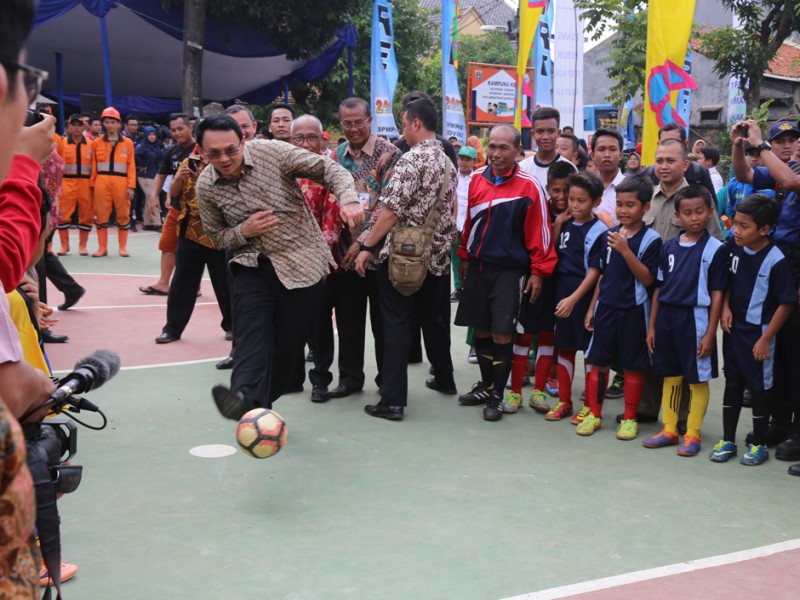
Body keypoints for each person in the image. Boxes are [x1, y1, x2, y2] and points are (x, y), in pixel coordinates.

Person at [193, 115, 363, 419]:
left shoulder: (272, 152)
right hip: (250, 263)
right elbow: (216, 236)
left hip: (300, 263)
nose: (224, 159)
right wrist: (243, 231)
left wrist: (348, 200)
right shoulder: (206, 185)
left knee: (287, 348)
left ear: (243, 140)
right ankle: (243, 397)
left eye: (230, 150)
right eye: (213, 154)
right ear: (201, 151)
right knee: (250, 334)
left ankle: (259, 402)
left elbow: (329, 169)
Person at [353, 96, 457, 420]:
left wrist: (367, 246)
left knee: (396, 326)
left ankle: (393, 400)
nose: (403, 131)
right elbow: (451, 210)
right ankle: (445, 379)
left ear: (415, 123)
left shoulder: (411, 161)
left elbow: (389, 212)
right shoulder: (447, 163)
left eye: (404, 124)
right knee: (435, 321)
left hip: (403, 258)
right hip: (437, 257)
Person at [455, 124, 557, 421]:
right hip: (478, 266)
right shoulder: (476, 179)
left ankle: (498, 395)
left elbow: (540, 234)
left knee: (502, 333)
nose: (496, 153)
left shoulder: (530, 186)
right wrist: (464, 256)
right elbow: (469, 223)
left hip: (510, 271)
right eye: (493, 147)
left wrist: (538, 272)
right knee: (481, 330)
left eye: (504, 148)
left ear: (517, 151)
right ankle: (487, 386)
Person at [730, 119, 800, 466]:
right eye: (781, 140)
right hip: (780, 268)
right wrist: (739, 145)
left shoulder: (788, 175)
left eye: (792, 139)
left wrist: (760, 145)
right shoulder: (784, 169)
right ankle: (780, 421)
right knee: (780, 354)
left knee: (797, 357)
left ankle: (798, 432)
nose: (788, 145)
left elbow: (789, 182)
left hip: (796, 269)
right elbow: (744, 174)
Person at [711, 195, 797, 466]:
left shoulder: (776, 260)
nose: (736, 230)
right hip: (733, 330)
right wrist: (725, 307)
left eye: (743, 226)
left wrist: (766, 338)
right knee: (733, 382)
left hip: (759, 336)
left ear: (764, 229)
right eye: (735, 223)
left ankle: (759, 444)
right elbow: (726, 282)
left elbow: (786, 302)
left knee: (760, 388)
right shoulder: (732, 248)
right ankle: (728, 440)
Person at [642, 186, 726, 455]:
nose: (694, 217)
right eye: (687, 213)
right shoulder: (669, 246)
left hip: (695, 318)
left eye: (699, 211)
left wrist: (710, 333)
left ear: (710, 212)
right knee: (671, 375)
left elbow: (717, 293)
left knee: (697, 379)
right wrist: (652, 325)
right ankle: (669, 429)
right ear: (677, 216)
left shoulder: (715, 249)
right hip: (667, 318)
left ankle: (692, 433)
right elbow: (659, 287)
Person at [581, 174, 662, 437]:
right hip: (606, 308)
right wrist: (592, 307)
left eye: (630, 205)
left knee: (632, 367)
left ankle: (629, 419)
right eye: (619, 204)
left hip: (634, 311)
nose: (623, 210)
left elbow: (648, 278)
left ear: (645, 207)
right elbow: (602, 275)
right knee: (598, 363)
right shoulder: (608, 235)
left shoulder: (651, 240)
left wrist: (626, 251)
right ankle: (594, 414)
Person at [330, 97, 399, 398]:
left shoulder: (389, 154)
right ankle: (349, 379)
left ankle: (388, 381)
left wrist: (362, 243)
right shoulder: (335, 156)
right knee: (348, 321)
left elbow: (388, 205)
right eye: (347, 123)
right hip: (345, 255)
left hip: (380, 254)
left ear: (370, 120)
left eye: (359, 122)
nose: (353, 128)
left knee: (384, 324)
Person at [505, 160, 573, 415]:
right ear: (547, 189)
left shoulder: (579, 219)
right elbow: (545, 250)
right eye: (556, 190)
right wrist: (557, 225)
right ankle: (514, 392)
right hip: (534, 282)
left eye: (567, 191)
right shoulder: (539, 209)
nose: (562, 197)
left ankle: (539, 391)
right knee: (523, 336)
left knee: (547, 339)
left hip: (558, 288)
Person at [154, 143, 232, 346]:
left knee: (224, 282)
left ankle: (232, 326)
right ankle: (172, 328)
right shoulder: (188, 163)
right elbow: (173, 193)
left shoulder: (225, 165)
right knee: (181, 283)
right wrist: (179, 178)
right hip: (190, 230)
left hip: (217, 233)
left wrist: (201, 179)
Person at [546, 172, 606, 422]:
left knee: (590, 353)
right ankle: (564, 402)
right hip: (562, 289)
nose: (574, 205)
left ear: (596, 202)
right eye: (572, 199)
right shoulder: (566, 223)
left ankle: (590, 406)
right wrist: (558, 225)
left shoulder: (600, 230)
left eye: (581, 200)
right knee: (565, 347)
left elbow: (596, 271)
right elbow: (551, 251)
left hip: (584, 294)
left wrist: (574, 299)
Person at [290, 114, 342, 403]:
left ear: (322, 140)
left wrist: (319, 259)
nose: (305, 144)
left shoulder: (329, 172)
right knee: (289, 320)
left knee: (319, 322)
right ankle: (292, 377)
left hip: (318, 262)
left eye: (311, 137)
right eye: (299, 138)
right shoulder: (281, 170)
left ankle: (321, 380)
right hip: (285, 260)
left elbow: (331, 222)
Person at [139, 113, 196, 296]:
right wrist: (153, 197)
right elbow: (161, 174)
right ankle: (163, 283)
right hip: (176, 207)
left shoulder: (201, 149)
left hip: (197, 210)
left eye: (180, 128)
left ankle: (193, 285)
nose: (177, 133)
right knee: (167, 245)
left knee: (192, 250)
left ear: (190, 127)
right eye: (173, 130)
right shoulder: (171, 151)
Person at [89, 106, 136, 257]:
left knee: (123, 214)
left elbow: (131, 165)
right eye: (107, 122)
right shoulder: (96, 142)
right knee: (101, 214)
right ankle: (102, 248)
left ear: (119, 124)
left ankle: (123, 247)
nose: (110, 125)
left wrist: (131, 186)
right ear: (104, 123)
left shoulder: (128, 143)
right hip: (101, 181)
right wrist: (93, 184)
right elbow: (93, 165)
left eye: (113, 122)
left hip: (121, 181)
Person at [642, 122, 716, 199]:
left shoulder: (698, 172)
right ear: (658, 144)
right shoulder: (648, 174)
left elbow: (711, 204)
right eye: (664, 142)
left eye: (674, 142)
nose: (669, 146)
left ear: (685, 144)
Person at [56, 113, 93, 255]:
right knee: (63, 214)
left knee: (86, 215)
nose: (76, 128)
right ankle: (64, 246)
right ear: (69, 127)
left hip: (86, 183)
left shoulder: (91, 144)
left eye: (79, 125)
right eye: (74, 125)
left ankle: (83, 246)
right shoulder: (62, 143)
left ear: (84, 127)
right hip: (66, 181)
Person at [519, 107, 575, 191]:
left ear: (558, 133)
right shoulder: (522, 168)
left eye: (551, 131)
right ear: (533, 134)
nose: (545, 137)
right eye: (540, 131)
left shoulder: (570, 169)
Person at [451, 145, 477, 302]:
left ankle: (471, 287)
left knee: (472, 259)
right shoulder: (452, 176)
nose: (464, 162)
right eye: (461, 158)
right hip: (455, 225)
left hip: (471, 226)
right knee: (455, 259)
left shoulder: (477, 178)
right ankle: (459, 288)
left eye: (468, 159)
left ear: (474, 161)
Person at [134, 125, 165, 230]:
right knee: (153, 198)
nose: (152, 137)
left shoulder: (156, 145)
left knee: (149, 198)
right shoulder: (142, 146)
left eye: (153, 134)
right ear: (145, 135)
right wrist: (142, 165)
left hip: (154, 175)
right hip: (145, 176)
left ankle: (147, 223)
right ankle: (157, 223)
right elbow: (135, 155)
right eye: (149, 135)